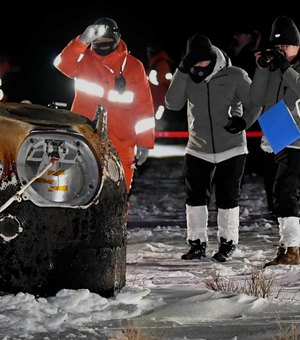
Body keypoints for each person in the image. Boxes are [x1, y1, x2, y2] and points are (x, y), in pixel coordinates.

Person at [165, 34, 261, 262]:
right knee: (195, 198)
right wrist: (181, 70)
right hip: (198, 147)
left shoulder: (235, 75)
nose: (199, 67)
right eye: (194, 63)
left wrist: (244, 122)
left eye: (203, 62)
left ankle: (228, 243)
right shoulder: (187, 76)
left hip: (232, 148)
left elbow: (255, 102)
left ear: (211, 57)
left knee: (228, 197)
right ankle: (197, 244)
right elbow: (172, 103)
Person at [54, 17, 155, 194]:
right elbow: (61, 64)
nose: (102, 45)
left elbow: (144, 108)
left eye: (107, 41)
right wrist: (81, 41)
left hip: (122, 141)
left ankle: (117, 222)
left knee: (118, 192)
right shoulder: (82, 60)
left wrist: (145, 142)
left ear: (117, 39)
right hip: (83, 136)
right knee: (80, 190)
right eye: (98, 41)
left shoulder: (133, 66)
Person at [250, 16, 300, 267]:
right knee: (280, 193)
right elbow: (256, 98)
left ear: (297, 45)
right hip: (279, 133)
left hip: (298, 137)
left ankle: (292, 249)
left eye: (285, 47)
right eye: (277, 48)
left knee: (287, 191)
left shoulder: (294, 68)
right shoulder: (273, 68)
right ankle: (288, 246)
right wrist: (261, 68)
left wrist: (285, 67)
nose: (281, 52)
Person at [146, 41, 173, 131]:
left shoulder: (161, 63)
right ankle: (156, 132)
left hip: (159, 95)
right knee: (154, 114)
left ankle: (161, 133)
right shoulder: (156, 62)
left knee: (158, 115)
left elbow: (161, 79)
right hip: (155, 95)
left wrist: (151, 79)